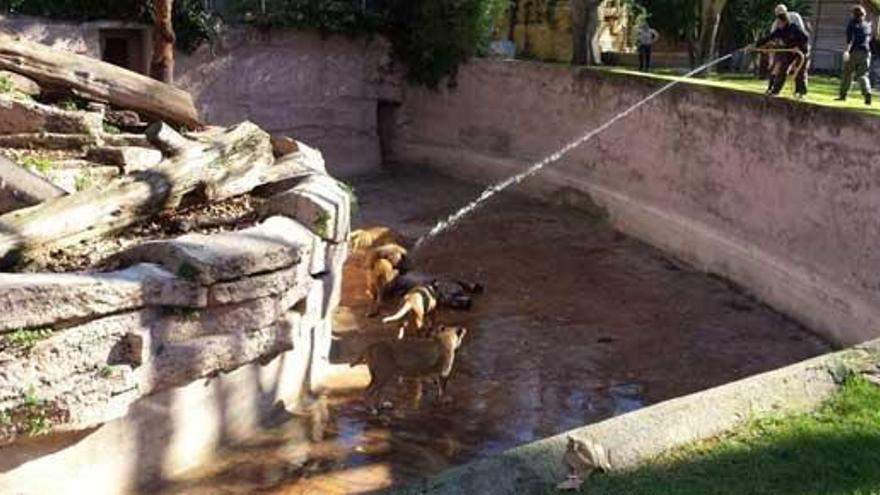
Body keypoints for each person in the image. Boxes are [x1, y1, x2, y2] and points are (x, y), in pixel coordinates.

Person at [755, 9, 810, 97]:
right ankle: (775, 91)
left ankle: (801, 92)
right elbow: (769, 37)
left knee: (800, 71)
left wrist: (798, 46)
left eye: (779, 22)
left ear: (784, 22)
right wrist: (756, 44)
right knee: (782, 69)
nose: (777, 24)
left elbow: (805, 38)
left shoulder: (794, 28)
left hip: (801, 51)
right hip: (790, 51)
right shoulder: (779, 31)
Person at [836, 5, 873, 105]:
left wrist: (846, 52)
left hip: (854, 51)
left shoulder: (851, 24)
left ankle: (843, 95)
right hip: (866, 53)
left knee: (847, 73)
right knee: (863, 75)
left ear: (854, 14)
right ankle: (867, 93)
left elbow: (850, 40)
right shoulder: (867, 25)